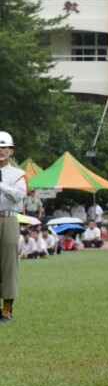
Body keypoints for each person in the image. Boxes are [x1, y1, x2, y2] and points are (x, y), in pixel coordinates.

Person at [0, 131, 27, 322]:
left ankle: (7, 309)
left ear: (12, 150)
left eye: (4, 147)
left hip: (8, 219)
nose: (1, 151)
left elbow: (18, 196)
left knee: (9, 264)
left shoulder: (18, 174)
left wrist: (0, 185)